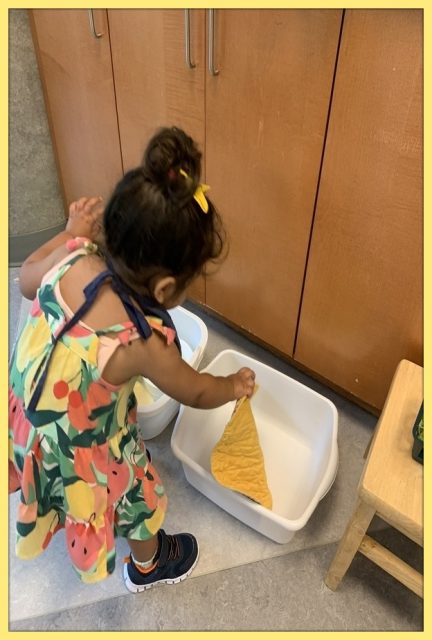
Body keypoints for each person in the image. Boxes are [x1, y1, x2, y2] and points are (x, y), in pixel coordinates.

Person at [8, 126, 256, 593]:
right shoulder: (140, 340)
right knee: (136, 496)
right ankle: (149, 564)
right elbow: (195, 390)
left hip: (27, 411)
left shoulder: (73, 255)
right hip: (83, 442)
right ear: (165, 290)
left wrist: (67, 233)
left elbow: (25, 282)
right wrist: (233, 387)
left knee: (55, 472)